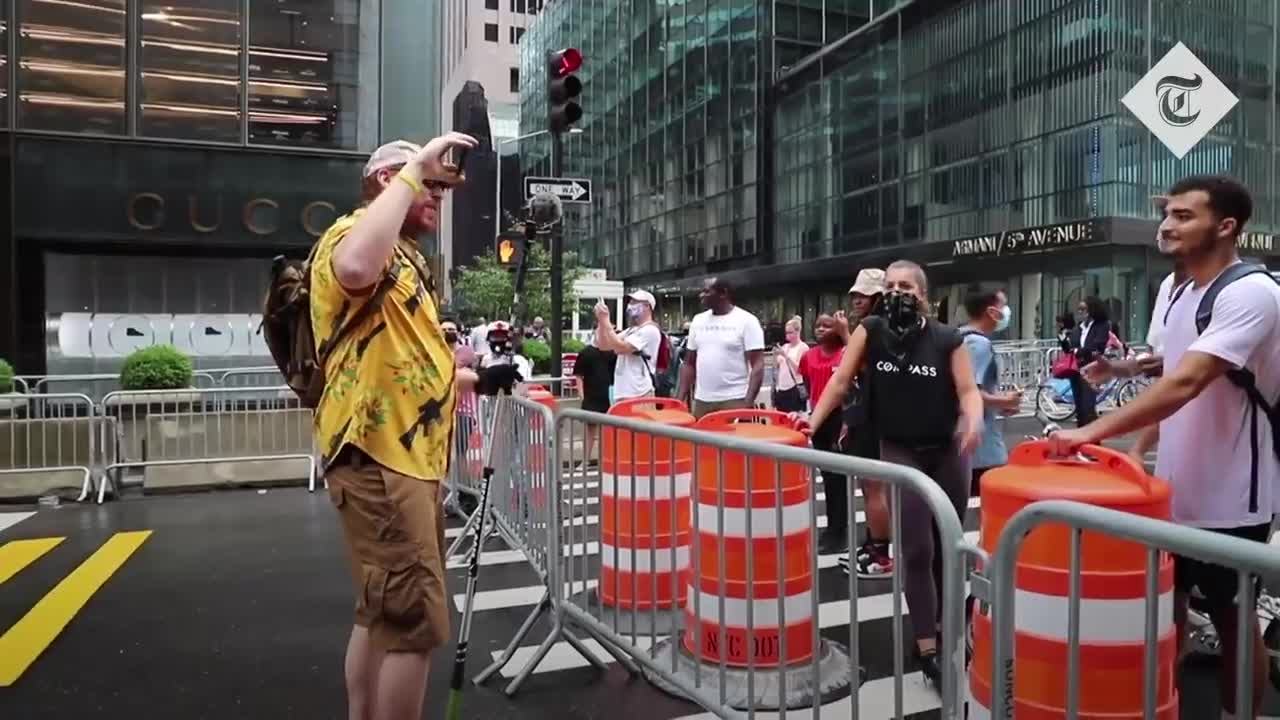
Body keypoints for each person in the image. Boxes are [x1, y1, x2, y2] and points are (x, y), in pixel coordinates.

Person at [1050, 174, 1279, 718]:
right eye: (1167, 215)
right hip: (1172, 487)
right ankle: (1158, 706)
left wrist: (1090, 432)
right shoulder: (1178, 289)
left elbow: (1187, 381)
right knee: (1164, 611)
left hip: (1232, 494)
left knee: (1233, 618)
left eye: (1183, 216)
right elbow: (1171, 362)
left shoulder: (1252, 291)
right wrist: (1127, 366)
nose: (1167, 226)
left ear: (1226, 227)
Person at [310, 133, 519, 720]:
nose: (438, 198)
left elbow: (407, 364)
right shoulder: (353, 237)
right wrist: (415, 167)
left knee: (380, 612)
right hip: (380, 457)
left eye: (440, 189)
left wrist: (478, 381)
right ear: (387, 181)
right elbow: (352, 267)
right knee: (415, 625)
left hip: (407, 457)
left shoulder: (408, 261)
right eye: (430, 184)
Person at [799, 259, 982, 688]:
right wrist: (813, 419)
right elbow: (842, 380)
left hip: (948, 452)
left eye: (907, 286)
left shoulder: (946, 337)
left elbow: (969, 390)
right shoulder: (872, 331)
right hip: (900, 450)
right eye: (892, 285)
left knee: (945, 547)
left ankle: (948, 628)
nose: (899, 292)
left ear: (924, 296)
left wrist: (972, 421)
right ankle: (928, 649)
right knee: (916, 549)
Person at [842, 269, 893, 576]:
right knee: (872, 487)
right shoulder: (884, 326)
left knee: (873, 487)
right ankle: (874, 546)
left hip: (873, 416)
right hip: (869, 412)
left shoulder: (874, 328)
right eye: (855, 295)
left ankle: (881, 553)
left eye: (863, 295)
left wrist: (846, 334)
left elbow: (856, 366)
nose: (856, 299)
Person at [959, 289, 1022, 494]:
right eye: (1004, 305)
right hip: (982, 447)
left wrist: (999, 403)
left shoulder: (961, 337)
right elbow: (970, 393)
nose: (1007, 311)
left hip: (970, 443)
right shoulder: (979, 344)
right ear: (992, 312)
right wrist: (1006, 401)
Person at [677, 278, 766, 418]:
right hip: (702, 401)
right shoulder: (698, 320)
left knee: (731, 440)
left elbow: (758, 365)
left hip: (734, 399)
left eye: (706, 291)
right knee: (700, 440)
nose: (701, 295)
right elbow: (689, 363)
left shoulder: (747, 321)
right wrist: (679, 400)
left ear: (723, 293)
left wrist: (747, 403)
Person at [797, 314, 848, 553]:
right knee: (828, 476)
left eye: (827, 326)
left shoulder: (846, 353)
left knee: (838, 478)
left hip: (841, 418)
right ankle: (833, 531)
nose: (820, 329)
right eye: (817, 325)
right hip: (818, 417)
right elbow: (808, 384)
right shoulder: (809, 356)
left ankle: (837, 532)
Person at [593, 290, 662, 400]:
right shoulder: (631, 330)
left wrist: (606, 321)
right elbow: (603, 345)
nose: (630, 305)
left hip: (640, 394)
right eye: (630, 302)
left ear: (647, 306)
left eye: (635, 302)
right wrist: (601, 322)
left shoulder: (651, 330)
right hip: (622, 392)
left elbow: (621, 347)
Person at [1063, 296, 1112, 425]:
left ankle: (1093, 439)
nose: (1080, 312)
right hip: (1075, 369)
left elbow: (1097, 346)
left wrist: (1078, 351)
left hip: (1091, 368)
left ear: (1092, 309)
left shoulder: (1102, 325)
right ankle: (1080, 438)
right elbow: (1069, 348)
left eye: (1083, 309)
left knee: (1088, 406)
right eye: (1078, 309)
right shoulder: (1078, 328)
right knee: (1079, 407)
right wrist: (1063, 340)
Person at [571, 340, 616, 464]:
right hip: (591, 396)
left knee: (607, 430)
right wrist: (582, 396)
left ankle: (606, 459)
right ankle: (585, 460)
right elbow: (579, 376)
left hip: (609, 395)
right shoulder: (586, 353)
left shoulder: (612, 352)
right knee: (590, 430)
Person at [772, 316, 809, 413]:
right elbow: (777, 367)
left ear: (797, 332)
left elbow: (800, 369)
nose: (787, 336)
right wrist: (775, 356)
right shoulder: (785, 346)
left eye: (790, 332)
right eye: (786, 332)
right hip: (781, 388)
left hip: (794, 388)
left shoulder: (803, 347)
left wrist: (786, 356)